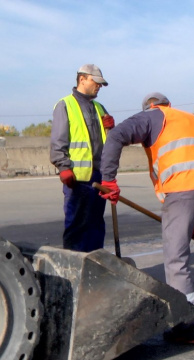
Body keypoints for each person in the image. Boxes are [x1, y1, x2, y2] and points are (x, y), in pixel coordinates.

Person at [99, 92, 194, 344]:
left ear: (150, 107)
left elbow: (116, 136)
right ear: (169, 105)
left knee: (176, 259)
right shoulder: (190, 118)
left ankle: (186, 324)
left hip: (182, 188)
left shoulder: (152, 117)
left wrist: (108, 179)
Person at [50, 64, 115, 252]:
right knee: (77, 226)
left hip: (99, 176)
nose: (99, 86)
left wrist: (112, 129)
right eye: (96, 82)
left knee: (95, 225)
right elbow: (58, 140)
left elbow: (108, 142)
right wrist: (63, 167)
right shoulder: (65, 105)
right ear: (82, 79)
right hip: (77, 179)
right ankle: (74, 270)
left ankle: (94, 268)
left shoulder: (99, 107)